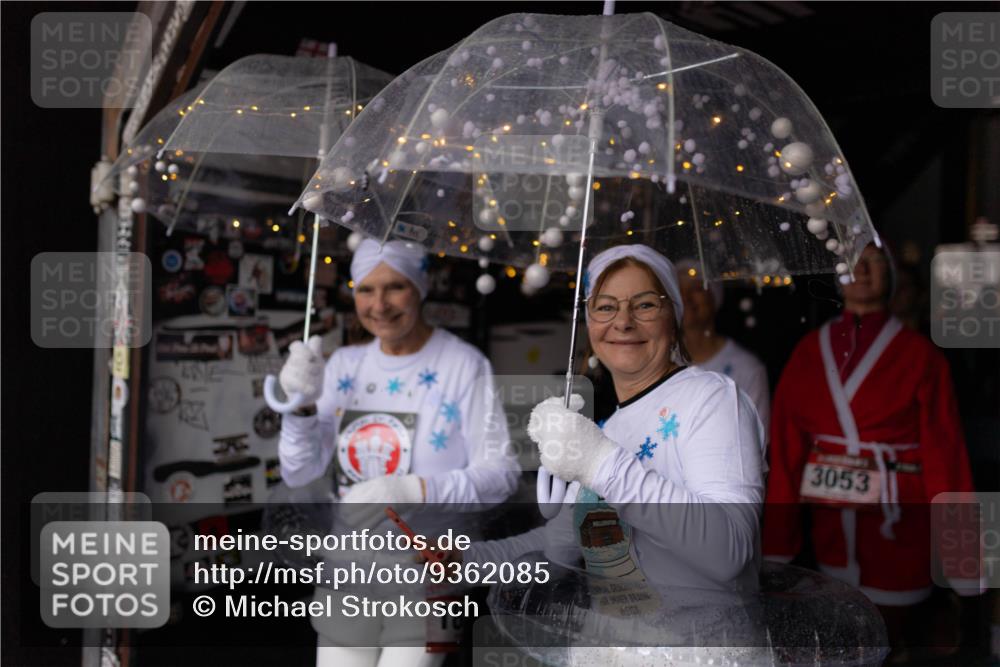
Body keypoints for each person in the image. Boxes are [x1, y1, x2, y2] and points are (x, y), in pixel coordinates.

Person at [461, 244, 766, 596]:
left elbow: (728, 553)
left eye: (645, 304)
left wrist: (600, 463)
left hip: (701, 648)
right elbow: (555, 549)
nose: (623, 321)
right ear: (589, 323)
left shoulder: (712, 399)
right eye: (605, 307)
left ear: (674, 316)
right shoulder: (609, 429)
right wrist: (465, 561)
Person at [277, 238, 519, 667]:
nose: (380, 304)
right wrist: (300, 406)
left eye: (395, 287)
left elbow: (501, 476)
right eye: (366, 289)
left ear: (420, 287)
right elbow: (298, 470)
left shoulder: (464, 365)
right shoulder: (344, 366)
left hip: (429, 577)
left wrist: (414, 487)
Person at [762, 241, 980, 661]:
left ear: (892, 278)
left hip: (898, 528)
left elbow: (946, 457)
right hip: (828, 531)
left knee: (893, 642)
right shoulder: (809, 351)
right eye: (849, 263)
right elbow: (787, 453)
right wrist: (777, 542)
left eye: (875, 263)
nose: (861, 271)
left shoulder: (921, 356)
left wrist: (960, 558)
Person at [676, 260, 771, 431]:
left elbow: (758, 436)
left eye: (697, 288)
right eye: (677, 290)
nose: (686, 297)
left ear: (714, 296)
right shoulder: (659, 363)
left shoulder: (747, 367)